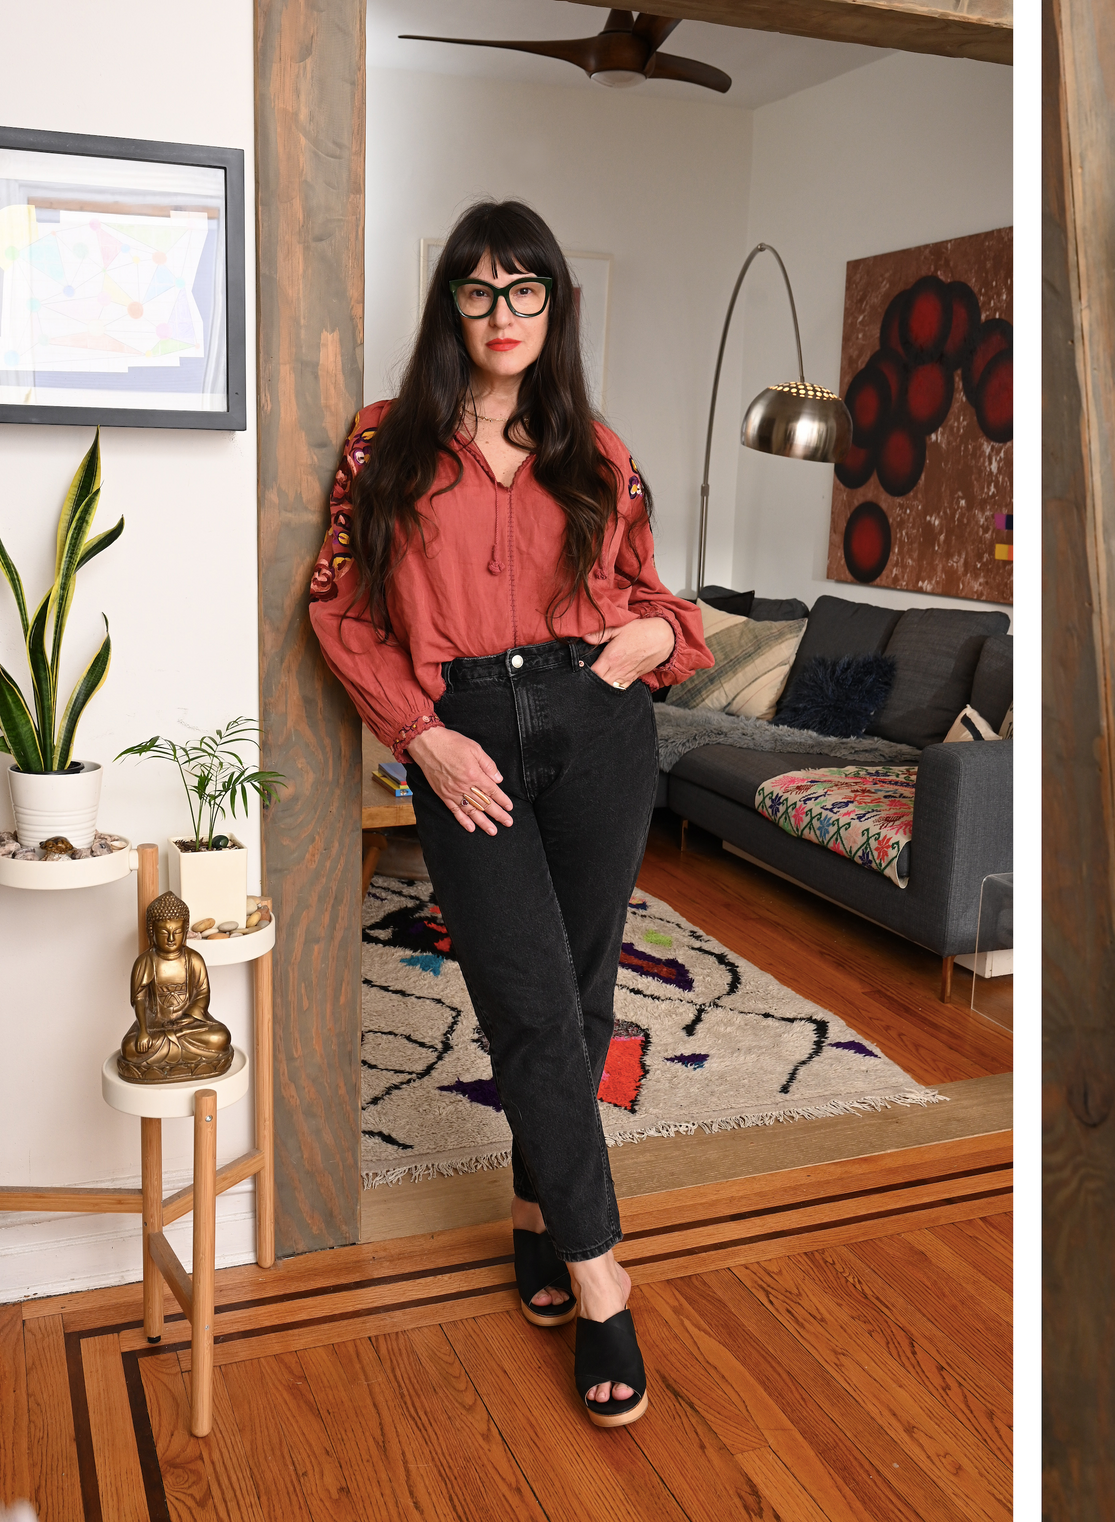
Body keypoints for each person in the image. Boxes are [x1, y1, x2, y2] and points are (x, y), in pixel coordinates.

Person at [309, 199, 711, 1428]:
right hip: (464, 733)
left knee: (582, 997)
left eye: (525, 291)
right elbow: (337, 604)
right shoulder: (385, 443)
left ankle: (540, 1220)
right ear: (450, 306)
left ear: (553, 308)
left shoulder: (594, 446)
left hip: (598, 727)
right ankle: (602, 1277)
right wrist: (421, 736)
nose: (502, 315)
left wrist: (639, 641)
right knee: (528, 1001)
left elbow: (659, 601)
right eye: (479, 292)